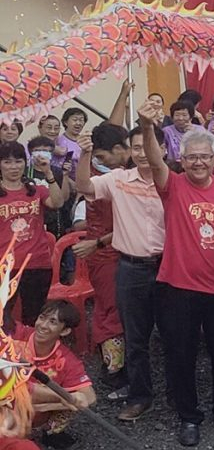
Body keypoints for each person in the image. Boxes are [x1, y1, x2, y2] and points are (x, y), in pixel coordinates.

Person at [138, 100, 214, 447]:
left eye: (205, 156)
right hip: (177, 287)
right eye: (192, 156)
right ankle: (188, 416)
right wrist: (145, 126)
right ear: (182, 159)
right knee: (180, 354)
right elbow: (155, 160)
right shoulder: (173, 185)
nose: (199, 162)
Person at [75, 124, 165, 422]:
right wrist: (85, 154)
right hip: (131, 268)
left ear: (161, 149)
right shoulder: (118, 179)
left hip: (169, 267)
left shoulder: (174, 182)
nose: (141, 153)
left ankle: (182, 396)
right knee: (136, 338)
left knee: (176, 336)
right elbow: (86, 187)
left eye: (146, 147)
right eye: (135, 147)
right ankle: (141, 396)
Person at [70, 125, 126, 387]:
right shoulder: (106, 176)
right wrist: (84, 153)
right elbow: (82, 185)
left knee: (112, 309)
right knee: (109, 309)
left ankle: (115, 365)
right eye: (96, 158)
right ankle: (114, 367)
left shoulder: (121, 177)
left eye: (101, 157)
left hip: (111, 250)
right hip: (104, 254)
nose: (98, 163)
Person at [0, 141, 67, 326]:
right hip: (5, 266)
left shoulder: (36, 190)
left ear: (25, 162)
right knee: (2, 316)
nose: (14, 167)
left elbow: (58, 202)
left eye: (18, 161)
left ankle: (30, 352)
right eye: (7, 162)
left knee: (34, 315)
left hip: (37, 264)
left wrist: (48, 174)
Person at [18, 300, 96, 449]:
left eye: (52, 322)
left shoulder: (67, 360)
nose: (43, 325)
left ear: (65, 331)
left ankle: (51, 432)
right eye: (42, 318)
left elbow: (90, 398)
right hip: (9, 402)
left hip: (37, 409)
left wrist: (50, 405)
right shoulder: (17, 337)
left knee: (74, 401)